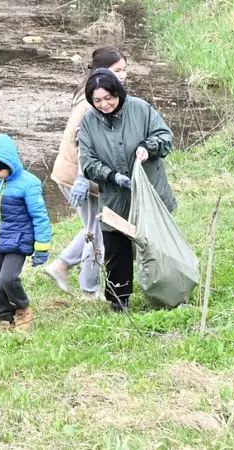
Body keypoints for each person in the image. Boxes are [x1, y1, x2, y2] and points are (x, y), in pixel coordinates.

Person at [78, 69, 176, 312]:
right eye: (97, 100)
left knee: (155, 245)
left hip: (148, 192)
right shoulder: (89, 122)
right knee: (116, 248)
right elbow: (88, 162)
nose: (104, 105)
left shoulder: (140, 109)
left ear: (117, 92)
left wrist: (147, 146)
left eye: (108, 97)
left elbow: (165, 137)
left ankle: (168, 291)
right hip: (113, 195)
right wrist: (112, 176)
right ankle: (119, 301)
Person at [45, 46, 128, 300]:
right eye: (117, 71)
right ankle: (88, 290)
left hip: (79, 175)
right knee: (98, 232)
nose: (123, 75)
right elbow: (84, 144)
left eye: (124, 69)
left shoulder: (91, 91)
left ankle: (62, 266)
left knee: (94, 227)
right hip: (79, 177)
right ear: (101, 72)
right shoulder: (90, 102)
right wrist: (82, 178)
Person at [0, 134, 52, 330]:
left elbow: (40, 216)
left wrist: (42, 246)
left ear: (11, 162)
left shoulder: (29, 183)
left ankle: (22, 307)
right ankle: (4, 317)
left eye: (0, 168)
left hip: (19, 240)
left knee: (8, 279)